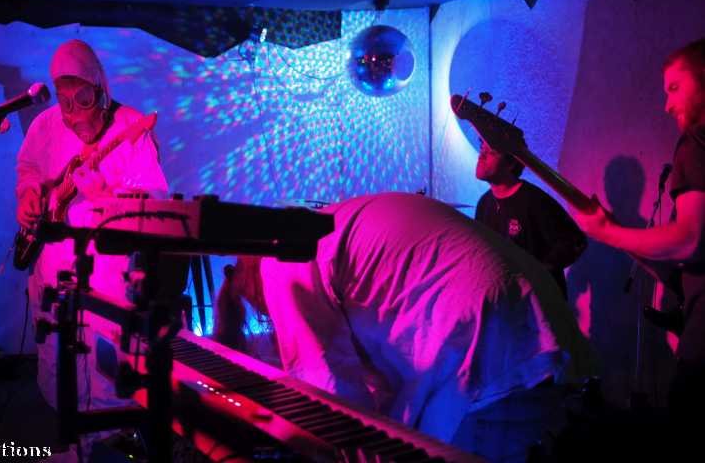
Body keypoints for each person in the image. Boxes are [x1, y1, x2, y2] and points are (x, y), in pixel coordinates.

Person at [216, 192, 594, 463]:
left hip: (489, 343)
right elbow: (381, 370)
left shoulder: (283, 260)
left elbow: (332, 398)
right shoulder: (334, 224)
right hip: (538, 323)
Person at [15, 39, 168, 457]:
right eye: (64, 102)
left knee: (106, 366)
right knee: (58, 360)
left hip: (107, 276)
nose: (73, 116)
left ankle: (109, 444)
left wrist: (105, 198)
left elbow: (155, 202)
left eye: (82, 102)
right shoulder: (45, 125)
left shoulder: (131, 126)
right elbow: (28, 168)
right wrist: (28, 194)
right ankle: (70, 444)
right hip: (54, 266)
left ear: (100, 89)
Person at [573, 38, 705, 438]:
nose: (667, 105)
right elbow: (684, 262)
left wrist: (606, 231)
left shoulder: (696, 142)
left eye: (675, 88)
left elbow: (689, 240)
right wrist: (615, 234)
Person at [475, 141, 587, 298]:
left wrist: (537, 273)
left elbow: (575, 241)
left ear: (511, 163)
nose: (482, 155)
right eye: (482, 148)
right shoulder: (484, 203)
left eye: (492, 151)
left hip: (540, 303)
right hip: (509, 303)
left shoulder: (535, 201)